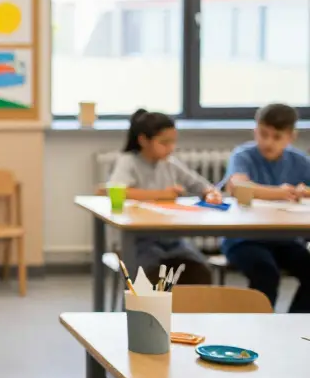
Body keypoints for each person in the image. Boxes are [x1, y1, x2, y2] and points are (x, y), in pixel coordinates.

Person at [106, 110, 223, 285]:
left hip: (172, 239)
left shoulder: (170, 163)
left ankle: (189, 311)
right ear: (143, 140)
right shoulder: (129, 161)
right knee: (151, 274)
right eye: (164, 142)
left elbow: (201, 185)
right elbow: (117, 190)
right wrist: (162, 195)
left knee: (199, 271)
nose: (170, 147)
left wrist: (211, 193)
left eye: (173, 142)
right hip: (139, 240)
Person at [220, 103, 310, 312]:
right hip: (244, 239)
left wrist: (303, 192)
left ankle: (292, 324)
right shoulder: (243, 155)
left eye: (276, 137)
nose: (268, 142)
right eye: (263, 134)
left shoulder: (299, 161)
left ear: (291, 137)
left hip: (285, 240)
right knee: (266, 272)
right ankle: (258, 326)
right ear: (255, 130)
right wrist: (280, 193)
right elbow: (238, 186)